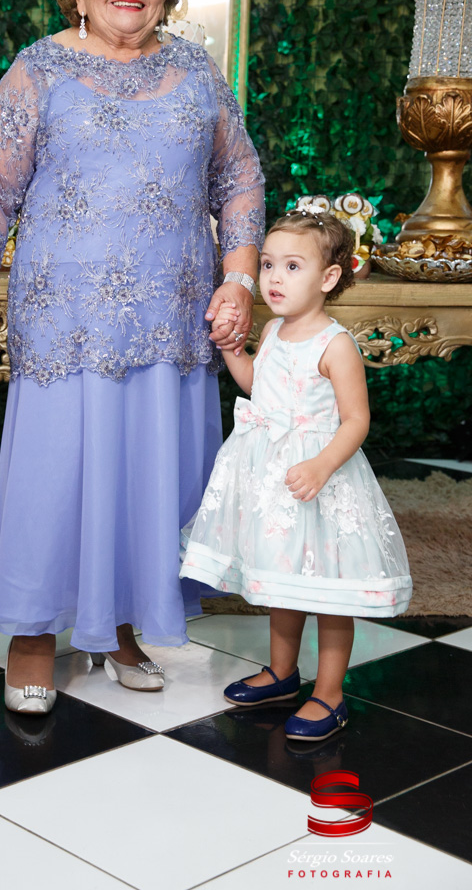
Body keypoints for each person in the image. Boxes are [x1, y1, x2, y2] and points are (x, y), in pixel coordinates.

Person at [0, 0, 265, 714]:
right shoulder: (39, 70)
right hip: (67, 318)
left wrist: (237, 280)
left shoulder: (197, 72)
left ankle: (122, 626)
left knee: (148, 478)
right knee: (57, 477)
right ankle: (32, 636)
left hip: (172, 317)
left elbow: (239, 179)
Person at [181, 209, 412, 741]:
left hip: (320, 481)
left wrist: (321, 464)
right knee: (282, 580)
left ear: (328, 278)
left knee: (327, 592)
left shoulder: (335, 344)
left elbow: (356, 421)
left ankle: (329, 694)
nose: (274, 278)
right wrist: (236, 353)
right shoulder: (274, 330)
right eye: (267, 265)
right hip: (274, 483)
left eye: (291, 266)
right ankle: (282, 673)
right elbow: (258, 385)